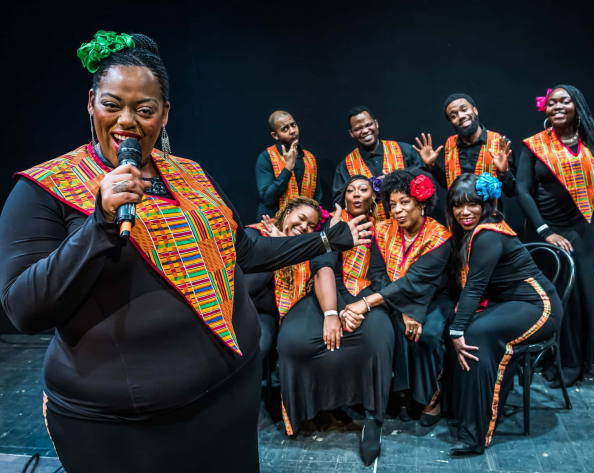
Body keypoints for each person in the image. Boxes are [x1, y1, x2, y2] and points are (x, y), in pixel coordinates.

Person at [0, 31, 372, 473]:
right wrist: (99, 224)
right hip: (129, 424)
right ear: (90, 103)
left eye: (144, 109)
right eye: (112, 104)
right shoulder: (46, 189)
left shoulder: (191, 174)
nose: (127, 121)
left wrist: (327, 239)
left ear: (164, 114)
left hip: (230, 395)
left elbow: (244, 250)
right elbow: (25, 309)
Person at [517, 84, 594, 386]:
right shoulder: (535, 144)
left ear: (576, 105)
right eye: (551, 102)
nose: (557, 106)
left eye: (564, 101)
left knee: (580, 290)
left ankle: (578, 360)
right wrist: (545, 232)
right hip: (547, 228)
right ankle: (554, 357)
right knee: (554, 293)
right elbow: (523, 191)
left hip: (583, 226)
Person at [276, 177, 394, 466]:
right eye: (350, 189)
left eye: (362, 189)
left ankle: (373, 418)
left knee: (378, 338)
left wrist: (363, 305)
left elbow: (387, 276)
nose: (355, 194)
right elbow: (323, 267)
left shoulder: (386, 229)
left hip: (368, 293)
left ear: (373, 197)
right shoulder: (332, 225)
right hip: (328, 290)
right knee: (294, 341)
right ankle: (317, 408)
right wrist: (331, 313)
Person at [446, 172, 562, 456]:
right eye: (458, 205)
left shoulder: (487, 233)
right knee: (470, 330)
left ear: (485, 204)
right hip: (511, 304)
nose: (464, 212)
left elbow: (474, 288)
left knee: (472, 334)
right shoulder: (475, 232)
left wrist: (456, 331)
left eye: (472, 204)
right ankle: (473, 418)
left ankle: (475, 431)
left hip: (539, 307)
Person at [339, 170, 452, 455]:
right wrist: (402, 309)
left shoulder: (440, 237)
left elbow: (418, 282)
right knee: (393, 328)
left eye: (405, 203)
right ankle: (403, 395)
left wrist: (368, 304)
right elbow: (378, 273)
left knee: (427, 334)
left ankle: (430, 397)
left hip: (432, 297)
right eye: (392, 204)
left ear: (421, 205)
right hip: (396, 298)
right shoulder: (383, 229)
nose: (397, 210)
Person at [246, 197, 322, 360]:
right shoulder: (255, 234)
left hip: (267, 316)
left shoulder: (303, 256)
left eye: (311, 226)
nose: (303, 227)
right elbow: (248, 287)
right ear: (287, 212)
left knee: (260, 347)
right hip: (240, 307)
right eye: (301, 219)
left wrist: (285, 247)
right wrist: (276, 247)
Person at [414, 93, 515, 195]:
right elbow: (450, 184)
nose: (461, 116)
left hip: (490, 210)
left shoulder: (500, 143)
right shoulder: (450, 144)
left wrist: (504, 172)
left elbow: (511, 192)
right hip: (458, 209)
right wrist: (432, 166)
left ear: (475, 110)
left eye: (464, 109)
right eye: (454, 116)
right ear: (451, 122)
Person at [332, 105, 422, 219]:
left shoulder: (404, 150)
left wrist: (397, 178)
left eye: (368, 125)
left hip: (409, 225)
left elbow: (423, 181)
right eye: (358, 128)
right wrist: (365, 191)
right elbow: (339, 203)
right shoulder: (345, 166)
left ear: (376, 123)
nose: (365, 131)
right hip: (369, 231)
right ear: (351, 133)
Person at [255, 111, 323, 219]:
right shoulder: (266, 157)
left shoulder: (310, 158)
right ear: (275, 135)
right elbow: (267, 198)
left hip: (303, 224)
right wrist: (288, 168)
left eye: (293, 125)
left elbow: (317, 197)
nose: (292, 131)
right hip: (273, 224)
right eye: (285, 129)